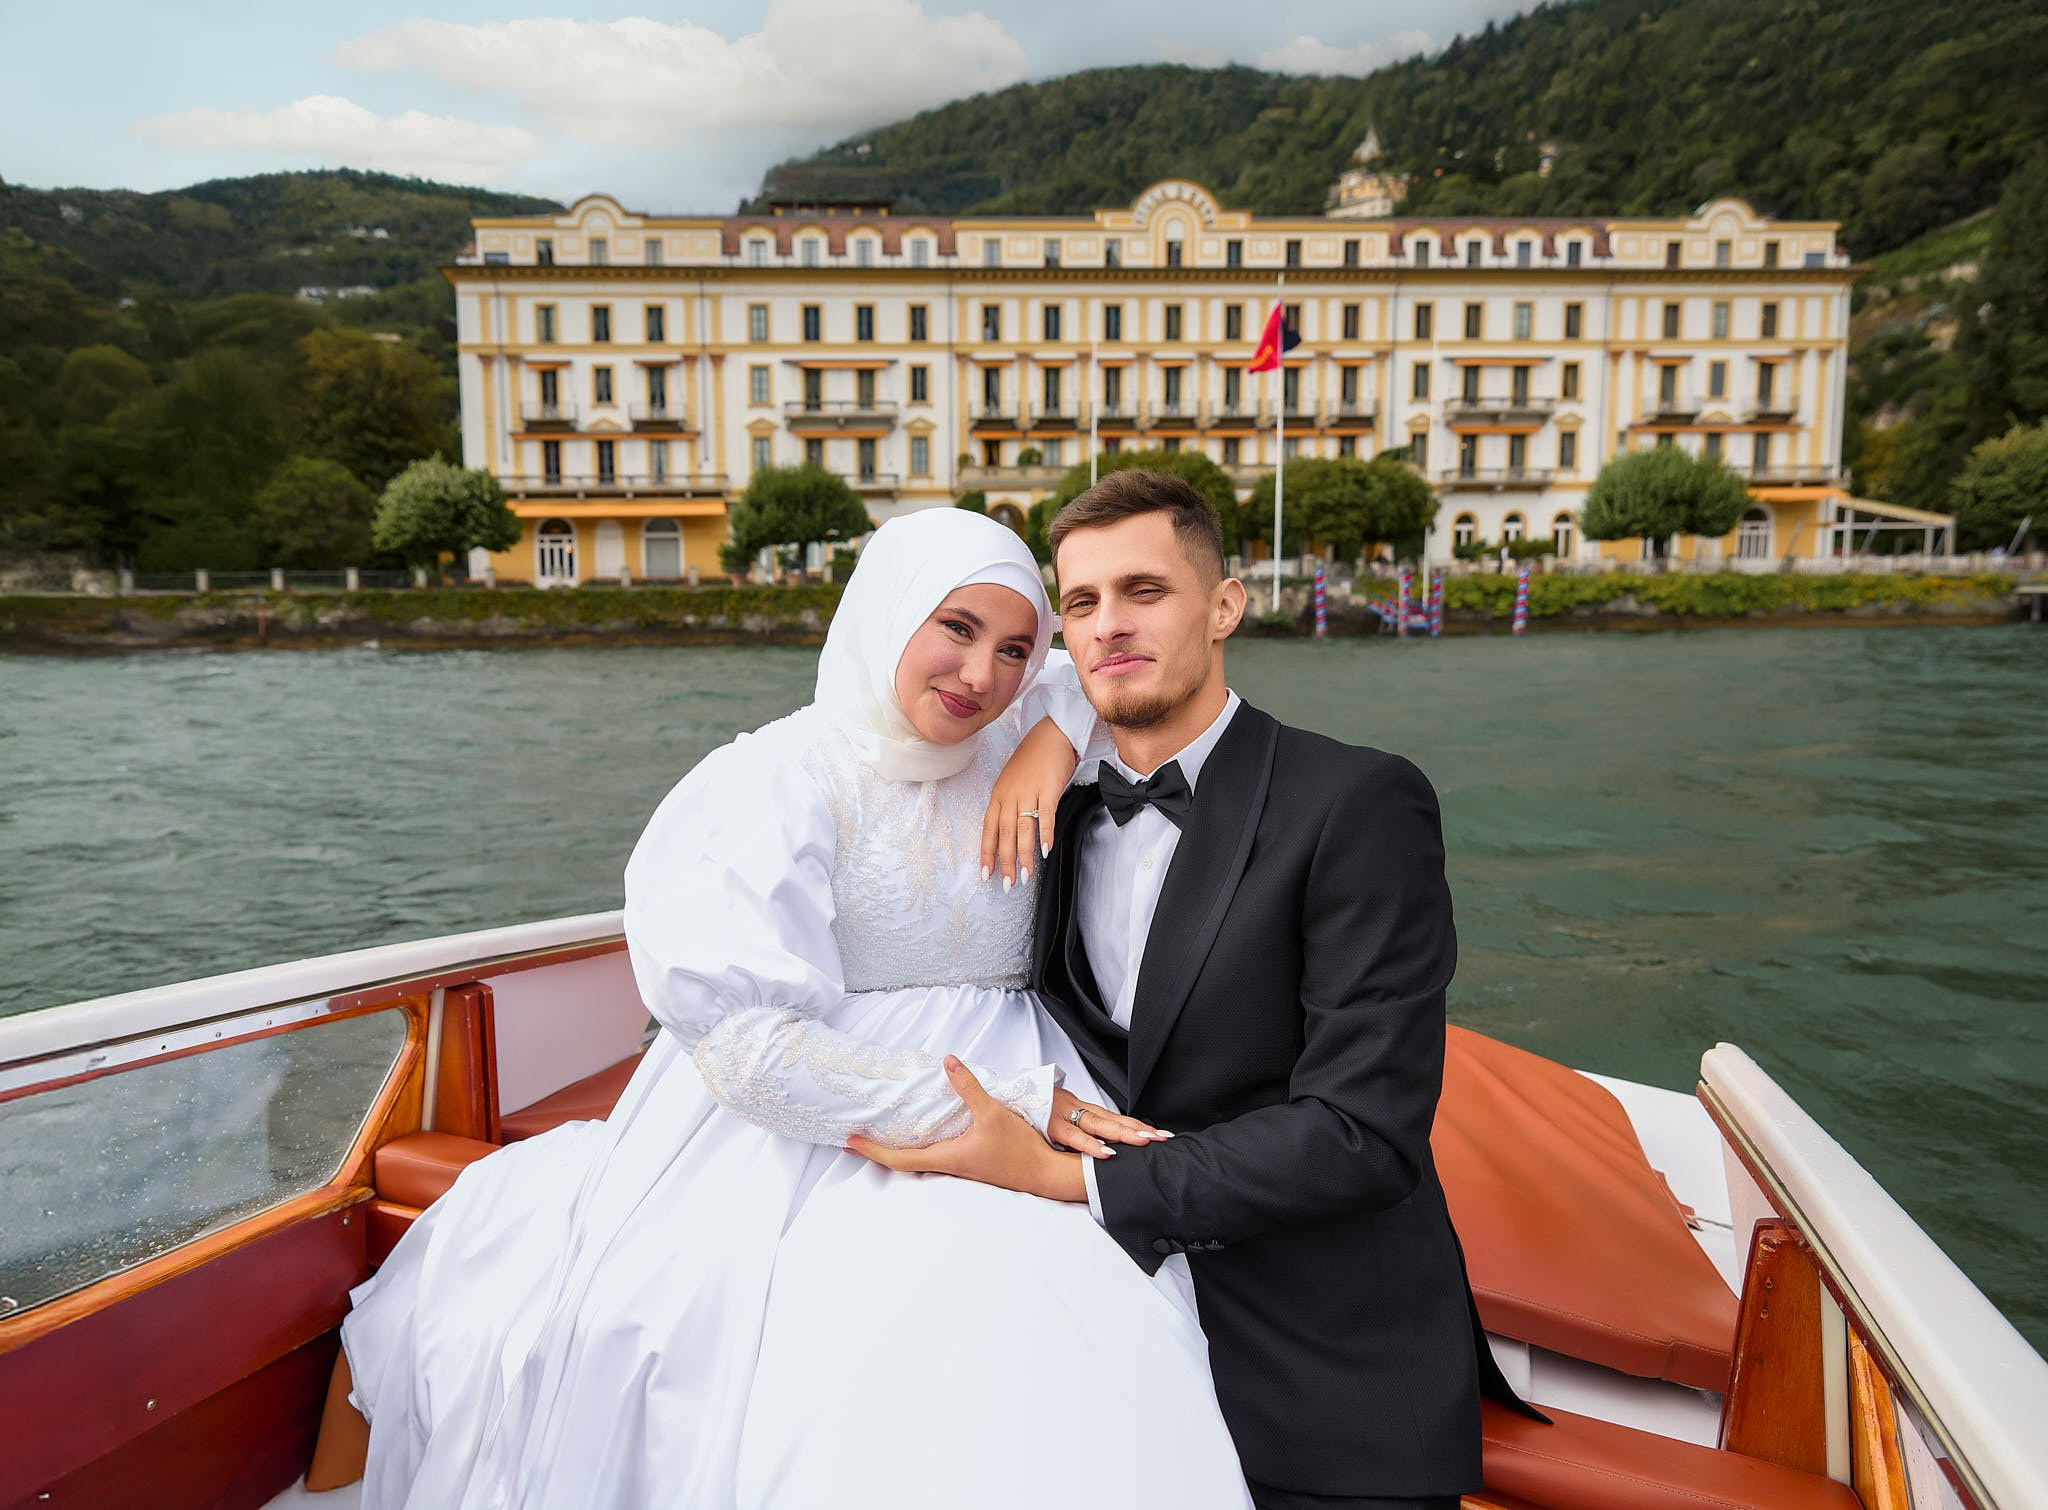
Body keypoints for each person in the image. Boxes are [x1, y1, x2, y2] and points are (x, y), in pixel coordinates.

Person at [333, 508, 1254, 1509]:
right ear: (886, 608)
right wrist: (1001, 1106)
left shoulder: (1015, 741)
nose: (981, 675)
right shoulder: (769, 780)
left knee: (1096, 1292)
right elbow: (749, 1056)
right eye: (954, 627)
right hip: (822, 1108)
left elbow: (1099, 678)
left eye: (1012, 649)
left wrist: (1044, 739)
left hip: (1021, 1063)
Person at [850, 471, 1542, 1510]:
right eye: (1080, 604)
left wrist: (1064, 1180)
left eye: (1144, 591)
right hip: (1091, 1330)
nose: (1107, 626)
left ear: (1224, 607)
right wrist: (1051, 732)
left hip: (1317, 1347)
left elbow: (1362, 1132)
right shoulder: (1041, 812)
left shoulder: (1355, 801)